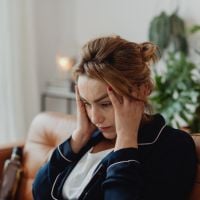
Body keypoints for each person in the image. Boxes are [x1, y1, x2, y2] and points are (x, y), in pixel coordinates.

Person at [32, 35, 197, 200]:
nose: (95, 118)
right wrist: (79, 136)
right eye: (87, 103)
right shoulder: (90, 138)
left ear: (143, 90)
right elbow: (39, 191)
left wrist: (126, 139)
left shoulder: (173, 146)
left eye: (105, 104)